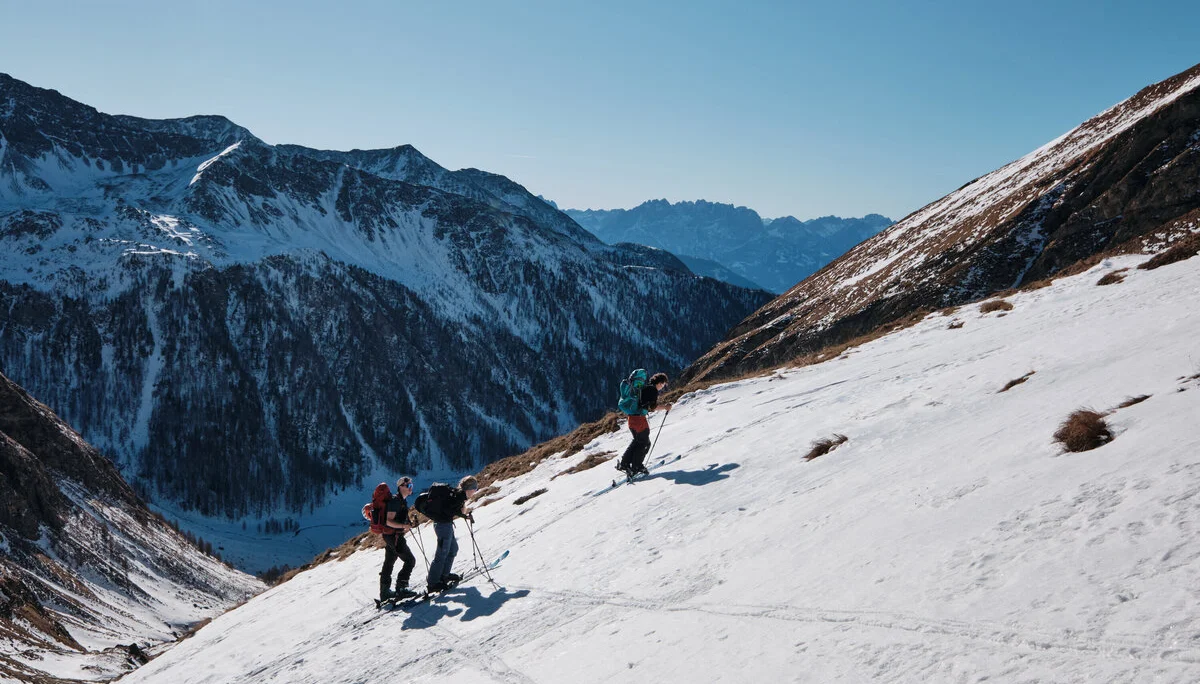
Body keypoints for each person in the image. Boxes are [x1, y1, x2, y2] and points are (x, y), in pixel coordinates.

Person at [425, 476, 480, 592]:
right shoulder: (458, 497)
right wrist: (462, 514)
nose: (475, 491)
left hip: (445, 525)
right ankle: (433, 583)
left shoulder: (459, 495)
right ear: (469, 489)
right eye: (475, 488)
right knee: (442, 553)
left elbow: (451, 509)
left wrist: (463, 514)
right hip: (443, 526)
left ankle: (444, 575)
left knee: (453, 549)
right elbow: (449, 510)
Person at [618, 372, 672, 477]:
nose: (662, 387)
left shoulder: (645, 388)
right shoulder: (652, 390)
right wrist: (665, 407)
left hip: (632, 419)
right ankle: (636, 466)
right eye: (663, 385)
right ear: (660, 383)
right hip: (639, 420)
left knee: (637, 441)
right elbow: (652, 407)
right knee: (644, 443)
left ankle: (624, 463)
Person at [379, 476, 417, 601]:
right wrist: (403, 526)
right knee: (410, 560)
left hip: (390, 535)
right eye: (408, 486)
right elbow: (388, 521)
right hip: (393, 536)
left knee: (389, 562)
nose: (411, 488)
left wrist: (407, 525)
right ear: (401, 487)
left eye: (411, 486)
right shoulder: (396, 501)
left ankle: (384, 592)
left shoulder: (401, 501)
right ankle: (401, 588)